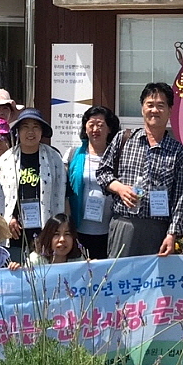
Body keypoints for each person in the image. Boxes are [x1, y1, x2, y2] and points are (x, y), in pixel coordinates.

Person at [97, 82, 183, 259]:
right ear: (142, 108)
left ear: (170, 111)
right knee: (120, 280)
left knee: (154, 284)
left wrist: (172, 234)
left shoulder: (178, 152)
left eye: (160, 105)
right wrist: (119, 188)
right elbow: (103, 172)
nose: (154, 110)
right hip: (124, 224)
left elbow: (182, 197)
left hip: (158, 231)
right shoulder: (123, 139)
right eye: (150, 105)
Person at [0, 108, 67, 262]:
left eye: (35, 127)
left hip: (45, 228)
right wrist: (8, 218)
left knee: (44, 276)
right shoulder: (5, 160)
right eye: (25, 127)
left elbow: (62, 194)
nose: (30, 132)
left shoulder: (54, 158)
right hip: (15, 231)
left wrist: (62, 228)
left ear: (42, 131)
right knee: (15, 273)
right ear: (18, 131)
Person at [66, 105, 121, 259]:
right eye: (91, 124)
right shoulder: (73, 155)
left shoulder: (117, 157)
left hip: (108, 229)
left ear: (109, 129)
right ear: (85, 127)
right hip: (79, 228)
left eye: (101, 125)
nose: (95, 129)